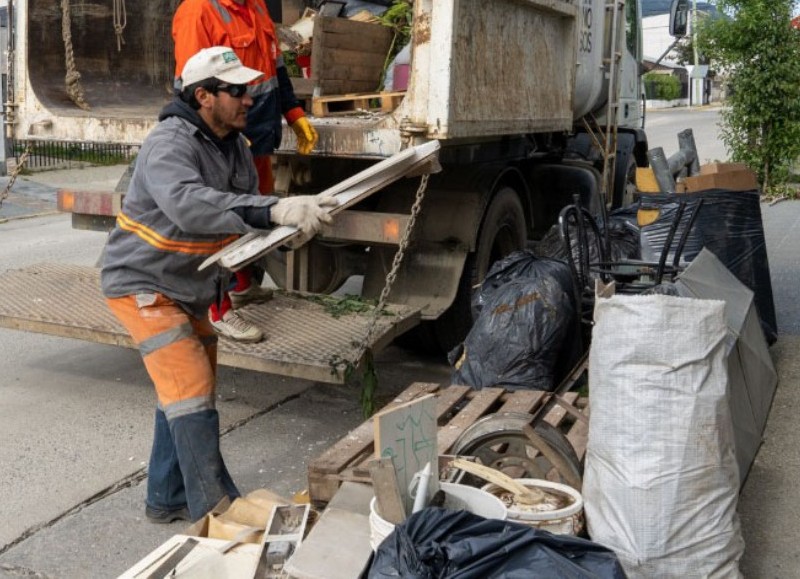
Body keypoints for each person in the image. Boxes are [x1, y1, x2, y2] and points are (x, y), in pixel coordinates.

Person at [101, 46, 336, 523]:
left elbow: (242, 219)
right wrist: (270, 210)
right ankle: (219, 511)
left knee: (188, 392)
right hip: (142, 284)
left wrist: (287, 231)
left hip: (188, 288)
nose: (250, 99)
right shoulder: (170, 143)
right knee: (189, 385)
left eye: (249, 90)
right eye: (237, 91)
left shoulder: (235, 146)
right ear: (204, 96)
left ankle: (166, 499)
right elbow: (190, 206)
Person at [172, 0, 319, 343]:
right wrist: (222, 140)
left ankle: (241, 284)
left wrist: (294, 113)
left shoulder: (256, 8)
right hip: (228, 138)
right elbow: (195, 90)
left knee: (254, 217)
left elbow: (275, 69)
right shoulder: (198, 11)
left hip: (258, 138)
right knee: (221, 223)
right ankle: (216, 309)